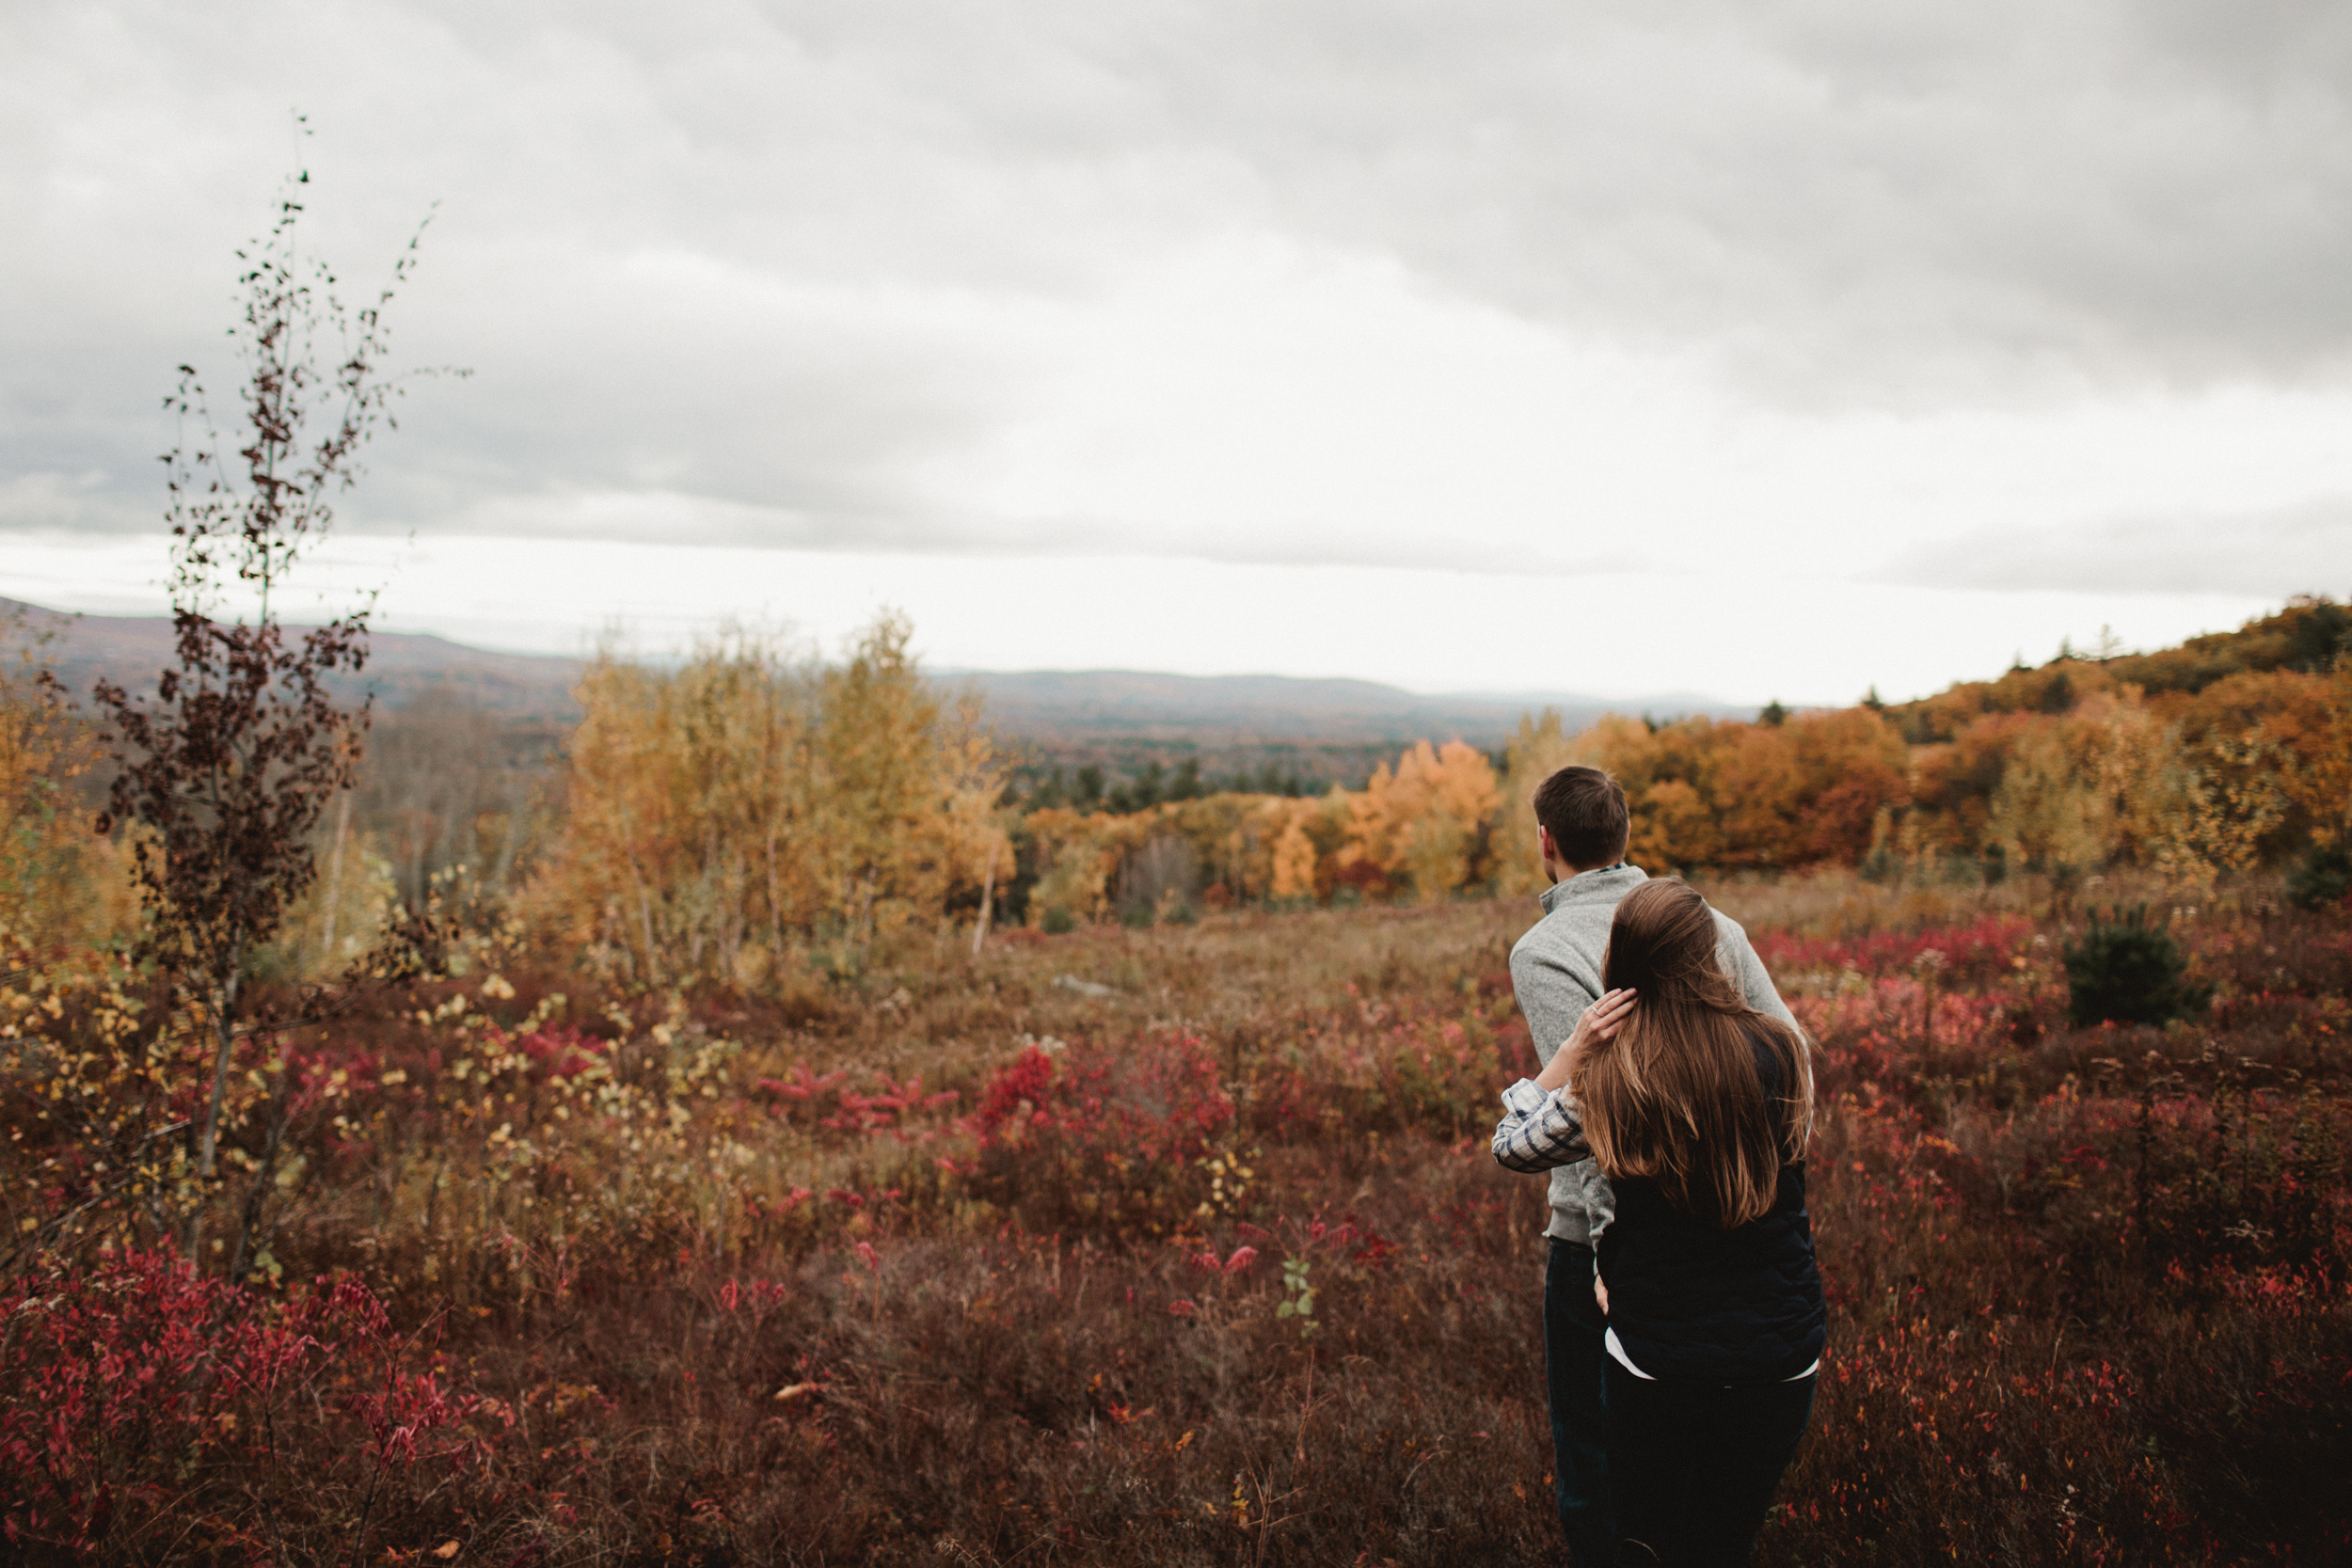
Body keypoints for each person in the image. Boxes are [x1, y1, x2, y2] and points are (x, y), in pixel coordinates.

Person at [1502, 767, 1801, 1567]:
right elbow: (1790, 1051)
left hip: (1611, 1257)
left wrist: (1609, 1253)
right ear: (1623, 834)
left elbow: (1596, 1126)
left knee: (1602, 1481)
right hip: (1740, 1239)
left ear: (1547, 842)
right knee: (1710, 1506)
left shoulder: (1545, 949)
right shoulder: (1711, 925)